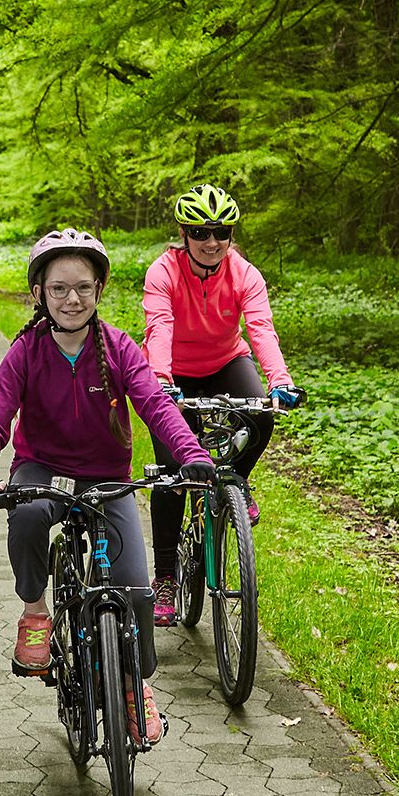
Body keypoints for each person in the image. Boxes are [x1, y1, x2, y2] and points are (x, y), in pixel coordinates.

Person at [0, 228, 213, 745]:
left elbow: (156, 407)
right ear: (39, 294)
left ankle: (133, 687)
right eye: (58, 288)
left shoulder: (120, 347)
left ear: (99, 290)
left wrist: (192, 457)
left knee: (137, 588)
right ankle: (35, 612)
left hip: (105, 477)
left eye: (82, 287)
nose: (71, 299)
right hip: (41, 468)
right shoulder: (26, 352)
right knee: (28, 517)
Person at [142, 183, 302, 627]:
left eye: (221, 232)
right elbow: (159, 328)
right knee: (172, 474)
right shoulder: (164, 272)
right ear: (184, 234)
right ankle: (166, 580)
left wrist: (280, 380)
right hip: (172, 370)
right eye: (200, 232)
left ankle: (237, 482)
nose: (212, 242)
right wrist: (160, 380)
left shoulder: (245, 273)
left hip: (225, 361)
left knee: (262, 413)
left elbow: (261, 329)